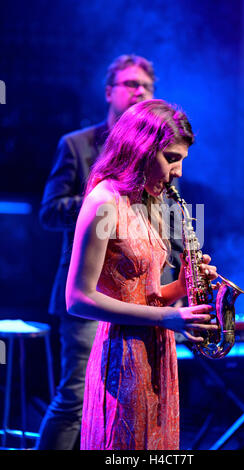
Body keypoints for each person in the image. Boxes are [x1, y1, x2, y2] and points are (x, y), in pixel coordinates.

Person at [37, 55, 182, 450]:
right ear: (109, 92)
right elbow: (49, 211)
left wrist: (185, 276)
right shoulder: (80, 149)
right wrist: (102, 214)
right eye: (131, 85)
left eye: (146, 88)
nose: (139, 93)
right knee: (75, 400)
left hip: (144, 299)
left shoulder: (160, 164)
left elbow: (167, 224)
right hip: (98, 290)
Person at [66, 99, 218, 450]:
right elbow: (78, 298)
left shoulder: (147, 202)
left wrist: (182, 286)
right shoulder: (103, 201)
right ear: (141, 149)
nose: (178, 171)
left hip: (157, 352)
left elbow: (144, 293)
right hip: (121, 359)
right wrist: (166, 316)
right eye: (172, 158)